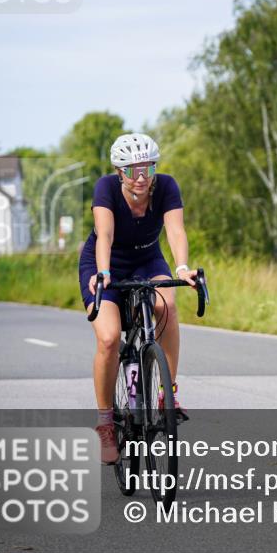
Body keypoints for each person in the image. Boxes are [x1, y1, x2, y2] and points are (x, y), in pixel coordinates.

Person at [78, 133, 197, 464]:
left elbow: (175, 231)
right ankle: (106, 424)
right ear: (120, 171)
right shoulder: (106, 187)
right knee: (108, 338)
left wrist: (182, 267)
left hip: (148, 260)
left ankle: (166, 395)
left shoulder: (166, 186)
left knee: (167, 306)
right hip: (106, 264)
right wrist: (103, 272)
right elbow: (105, 235)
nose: (141, 177)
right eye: (132, 170)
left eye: (147, 168)